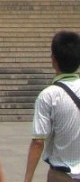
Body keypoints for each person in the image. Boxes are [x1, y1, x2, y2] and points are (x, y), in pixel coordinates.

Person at [24, 30, 80, 182]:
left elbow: (38, 142)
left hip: (62, 175)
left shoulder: (48, 96)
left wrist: (27, 179)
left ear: (53, 59)